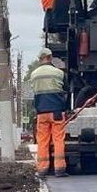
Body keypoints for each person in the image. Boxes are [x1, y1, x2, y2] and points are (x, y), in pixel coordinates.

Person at [27, 48, 69, 179]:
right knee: (58, 140)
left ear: (40, 59)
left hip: (41, 113)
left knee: (43, 141)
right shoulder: (59, 73)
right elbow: (66, 90)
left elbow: (34, 91)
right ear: (51, 58)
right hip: (57, 112)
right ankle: (60, 169)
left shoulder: (34, 75)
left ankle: (42, 170)